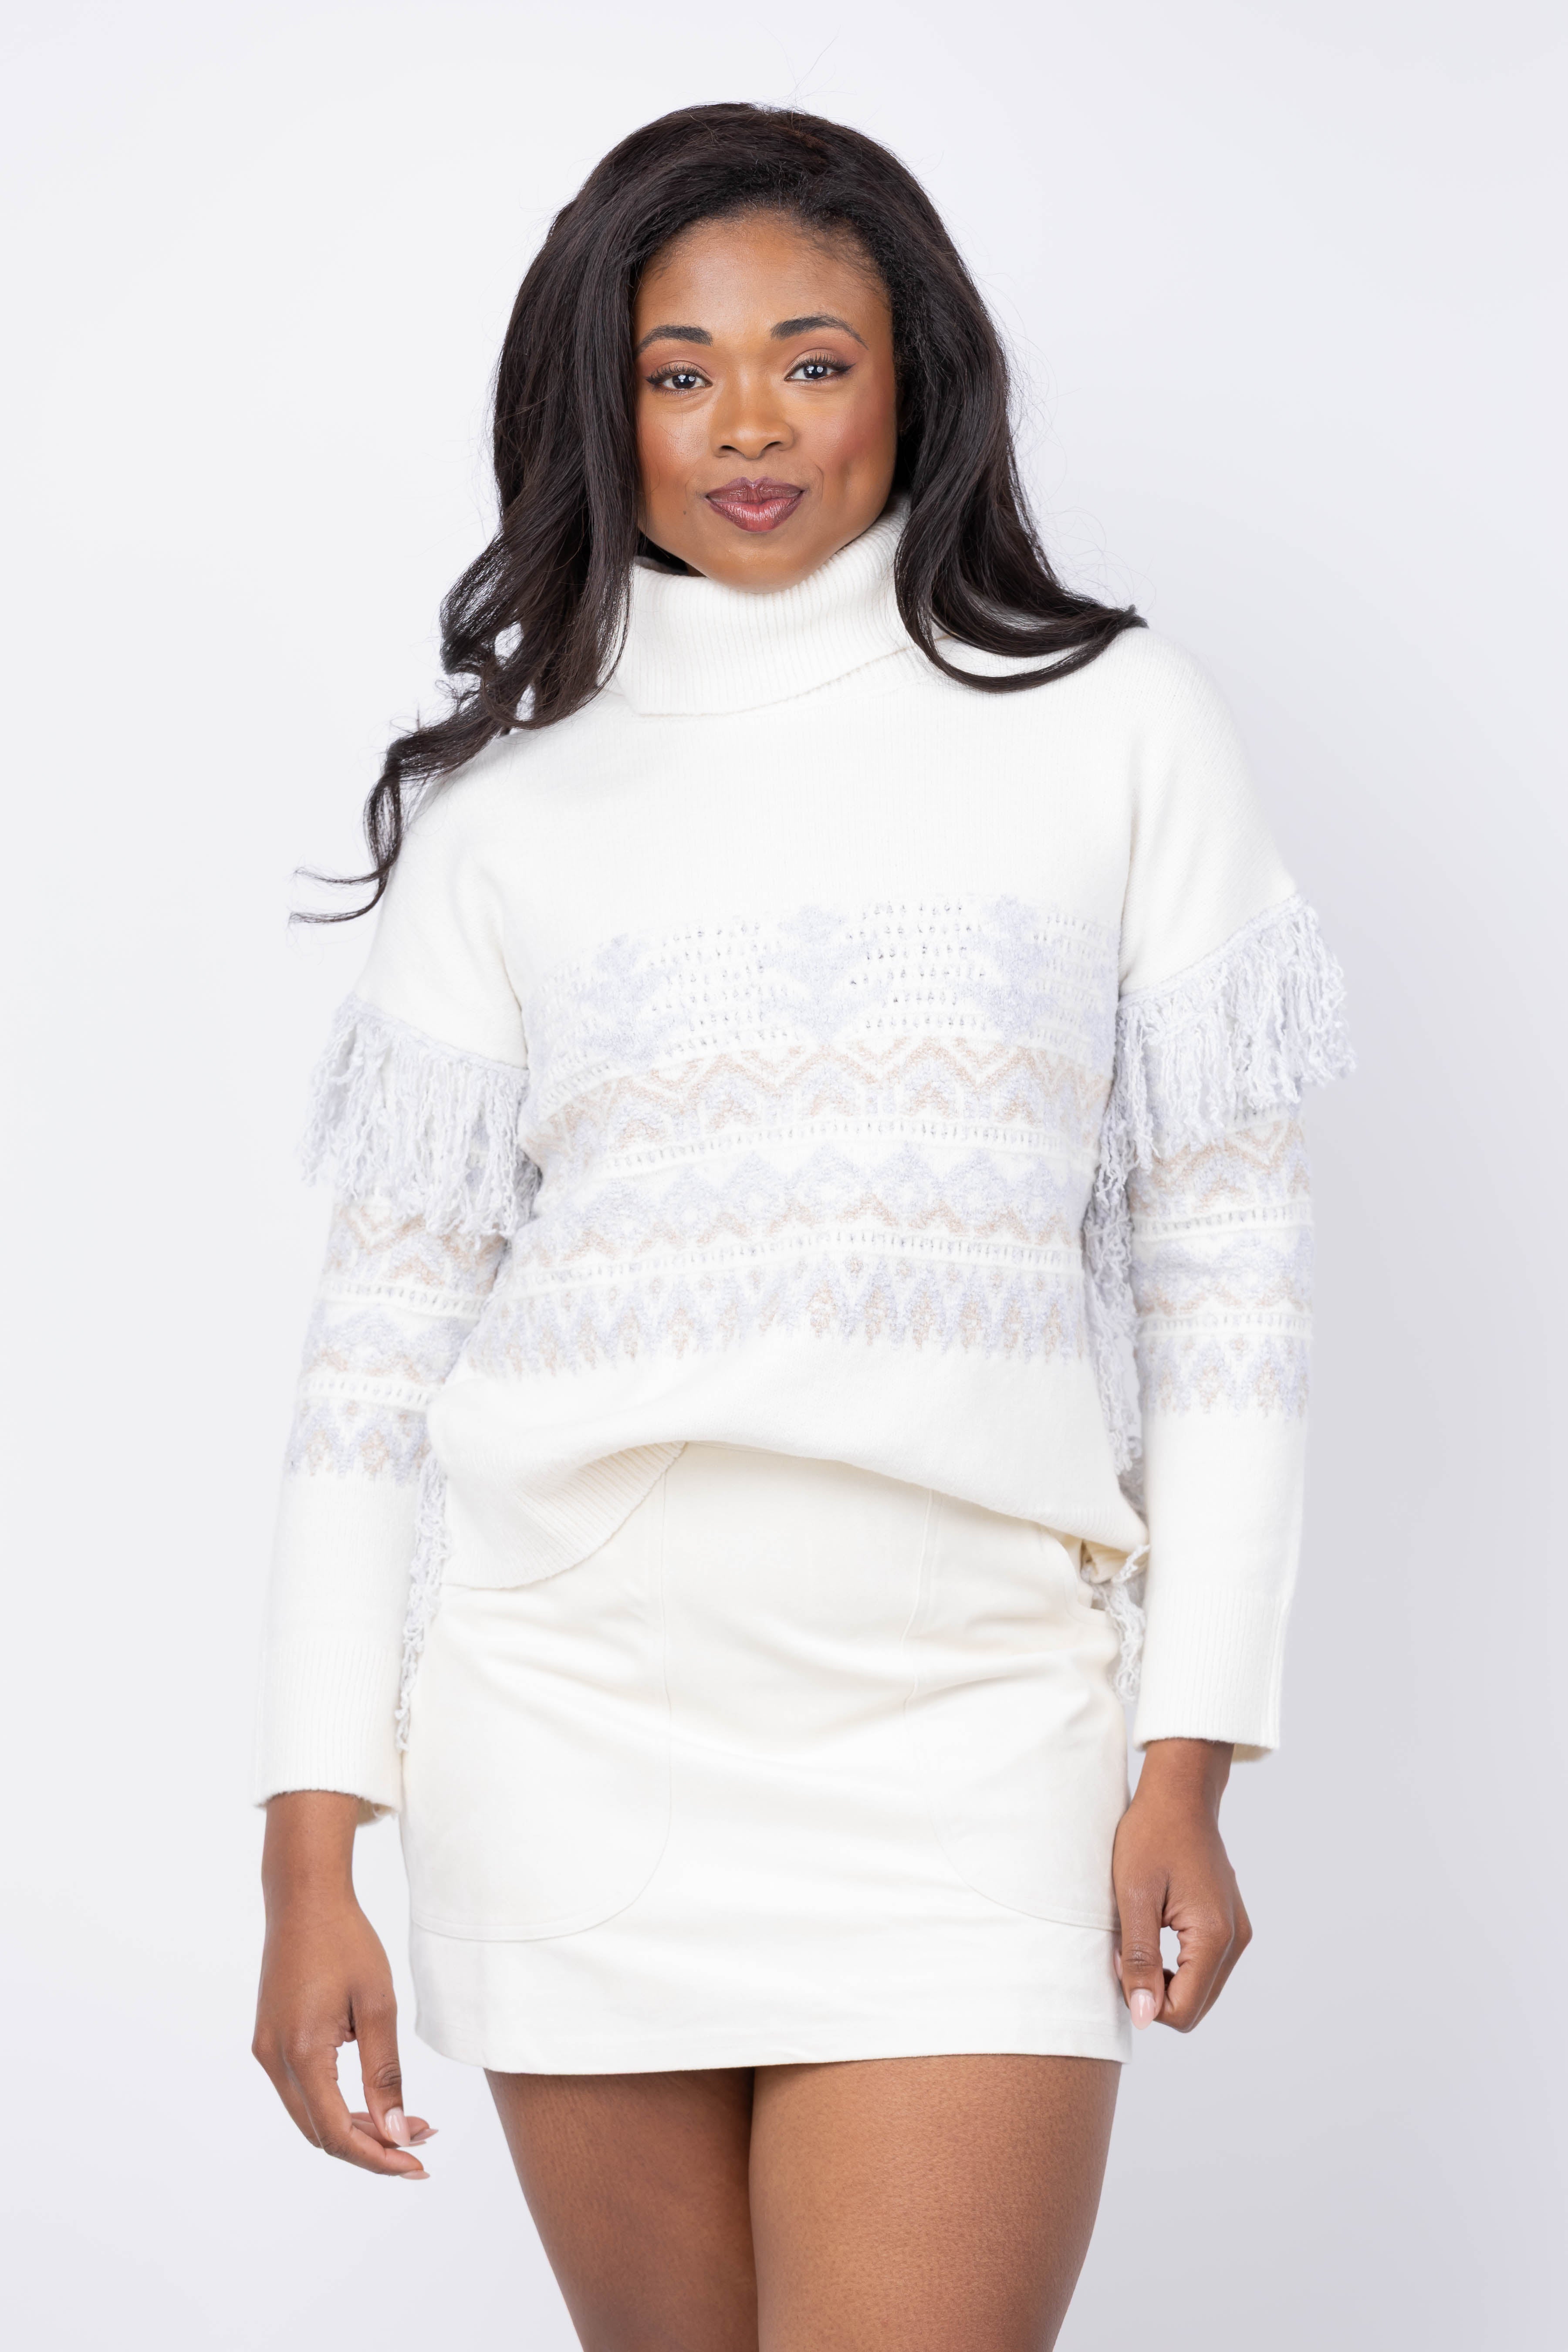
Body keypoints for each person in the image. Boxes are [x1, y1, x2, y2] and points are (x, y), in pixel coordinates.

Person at [252, 101, 1351, 2351]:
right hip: (569, 1740)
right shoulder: (507, 818)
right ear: (604, 405)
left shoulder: (1115, 728)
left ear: (916, 379)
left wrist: (1192, 1756)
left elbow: (1225, 1279)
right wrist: (309, 1847)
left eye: (811, 359)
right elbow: (374, 1363)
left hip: (971, 1741)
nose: (747, 421)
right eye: (680, 370)